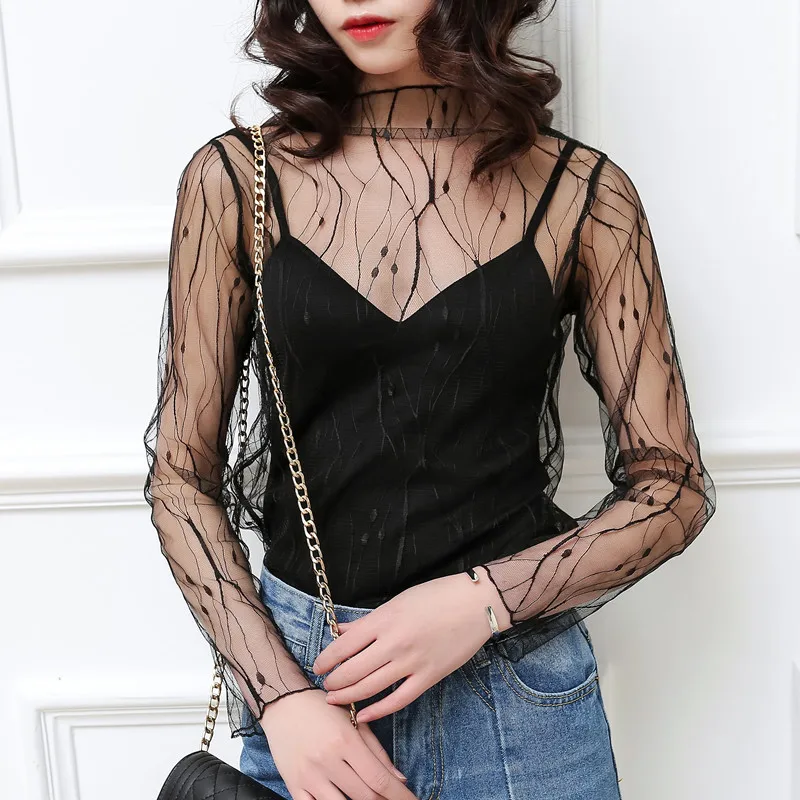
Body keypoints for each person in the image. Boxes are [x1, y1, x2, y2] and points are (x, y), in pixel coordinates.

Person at [143, 1, 717, 798]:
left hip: (517, 701)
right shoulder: (238, 180)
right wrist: (280, 698)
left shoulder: (583, 193)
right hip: (313, 696)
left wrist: (482, 603)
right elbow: (179, 479)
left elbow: (673, 488)